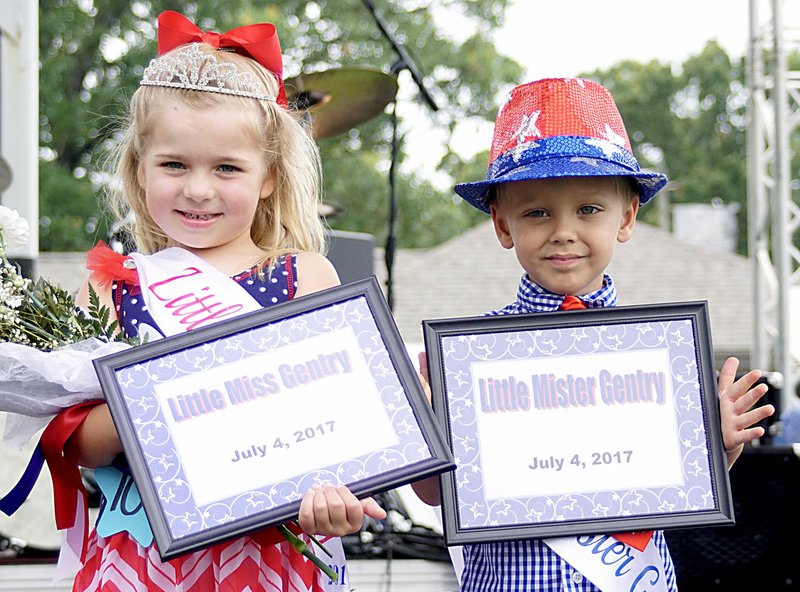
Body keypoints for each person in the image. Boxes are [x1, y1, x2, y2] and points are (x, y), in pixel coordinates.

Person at [44, 11, 386, 592]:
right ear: (138, 169)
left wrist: (345, 497)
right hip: (143, 561)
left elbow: (355, 429)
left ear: (270, 177)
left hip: (273, 555)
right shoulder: (112, 284)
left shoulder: (302, 276)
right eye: (174, 164)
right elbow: (72, 441)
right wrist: (171, 402)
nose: (198, 189)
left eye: (227, 167)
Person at [412, 77, 775, 591]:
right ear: (502, 223)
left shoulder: (659, 351)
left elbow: (690, 484)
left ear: (626, 216)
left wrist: (721, 443)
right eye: (537, 212)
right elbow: (433, 494)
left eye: (588, 209)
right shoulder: (471, 357)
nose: (563, 230)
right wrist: (429, 438)